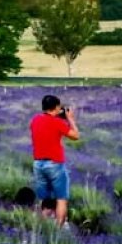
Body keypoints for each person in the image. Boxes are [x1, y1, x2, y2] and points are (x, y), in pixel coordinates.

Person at [29, 95, 81, 227]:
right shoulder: (58, 123)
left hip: (38, 164)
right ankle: (58, 231)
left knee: (45, 200)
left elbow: (46, 126)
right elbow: (75, 136)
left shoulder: (35, 120)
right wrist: (70, 119)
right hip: (54, 164)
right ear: (57, 107)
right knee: (61, 199)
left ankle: (44, 228)